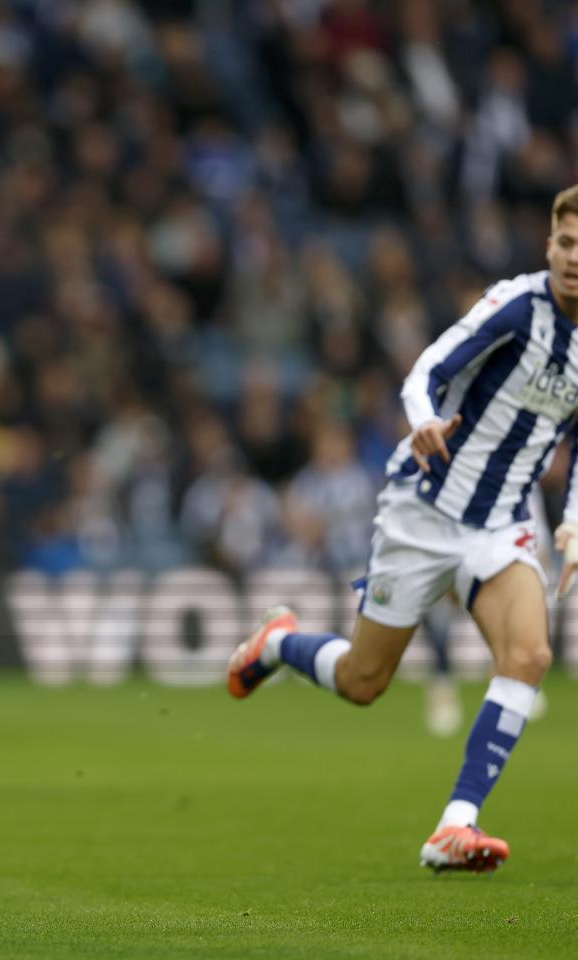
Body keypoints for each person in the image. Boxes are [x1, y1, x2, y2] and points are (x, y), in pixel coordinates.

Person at [227, 183, 578, 875]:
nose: (574, 258)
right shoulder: (517, 305)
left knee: (530, 656)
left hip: (500, 523)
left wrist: (572, 521)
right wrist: (423, 418)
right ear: (548, 245)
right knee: (364, 681)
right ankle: (279, 643)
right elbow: (428, 368)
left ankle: (457, 824)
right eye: (567, 243)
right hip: (423, 511)